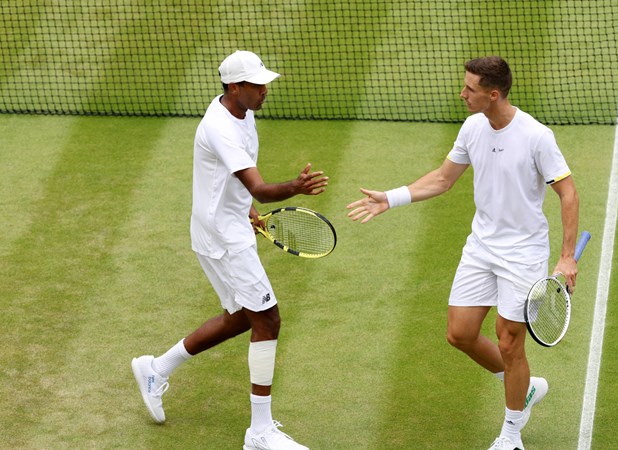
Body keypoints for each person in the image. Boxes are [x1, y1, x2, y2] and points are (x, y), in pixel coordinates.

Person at [346, 56, 579, 450]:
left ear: (493, 93)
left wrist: (566, 256)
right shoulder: (473, 127)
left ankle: (510, 436)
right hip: (482, 247)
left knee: (509, 343)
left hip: (522, 255)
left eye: (470, 88)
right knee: (460, 334)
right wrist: (391, 198)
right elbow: (442, 179)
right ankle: (525, 387)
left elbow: (567, 192)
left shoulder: (537, 136)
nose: (462, 93)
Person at [131, 50, 327, 450]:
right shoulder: (220, 127)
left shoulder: (242, 112)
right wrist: (295, 187)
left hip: (224, 225)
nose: (263, 90)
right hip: (222, 236)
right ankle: (259, 432)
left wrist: (247, 211)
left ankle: (155, 368)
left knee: (242, 317)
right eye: (256, 85)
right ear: (233, 87)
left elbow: (232, 181)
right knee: (267, 320)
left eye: (264, 83)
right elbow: (258, 185)